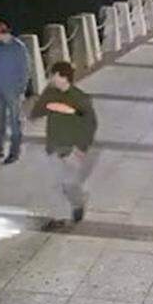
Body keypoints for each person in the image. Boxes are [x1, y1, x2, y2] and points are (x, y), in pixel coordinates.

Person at [30, 61, 99, 225]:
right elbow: (36, 112)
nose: (51, 79)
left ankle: (79, 202)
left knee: (69, 184)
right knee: (55, 182)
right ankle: (58, 216)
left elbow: (90, 123)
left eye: (53, 76)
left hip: (71, 147)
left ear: (63, 77)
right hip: (53, 144)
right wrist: (46, 99)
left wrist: (82, 147)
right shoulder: (51, 93)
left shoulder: (79, 98)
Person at [0, 18, 30, 164]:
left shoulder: (18, 47)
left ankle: (14, 153)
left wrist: (21, 89)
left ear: (3, 32)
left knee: (15, 122)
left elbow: (25, 69)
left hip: (13, 91)